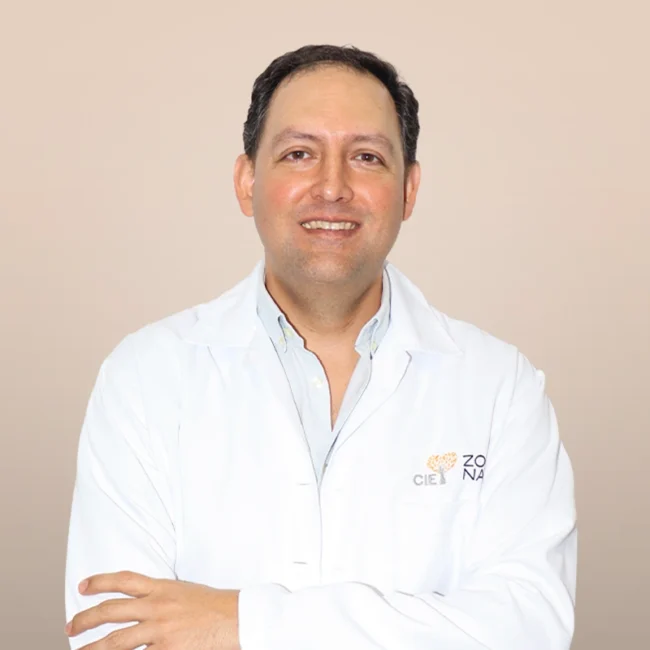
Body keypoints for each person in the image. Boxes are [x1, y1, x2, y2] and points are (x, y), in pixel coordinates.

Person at [64, 44, 577, 650]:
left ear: (409, 190)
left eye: (366, 157)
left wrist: (243, 623)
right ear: (247, 182)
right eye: (299, 154)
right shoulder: (145, 376)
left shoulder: (501, 388)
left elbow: (530, 628)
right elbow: (117, 632)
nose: (332, 187)